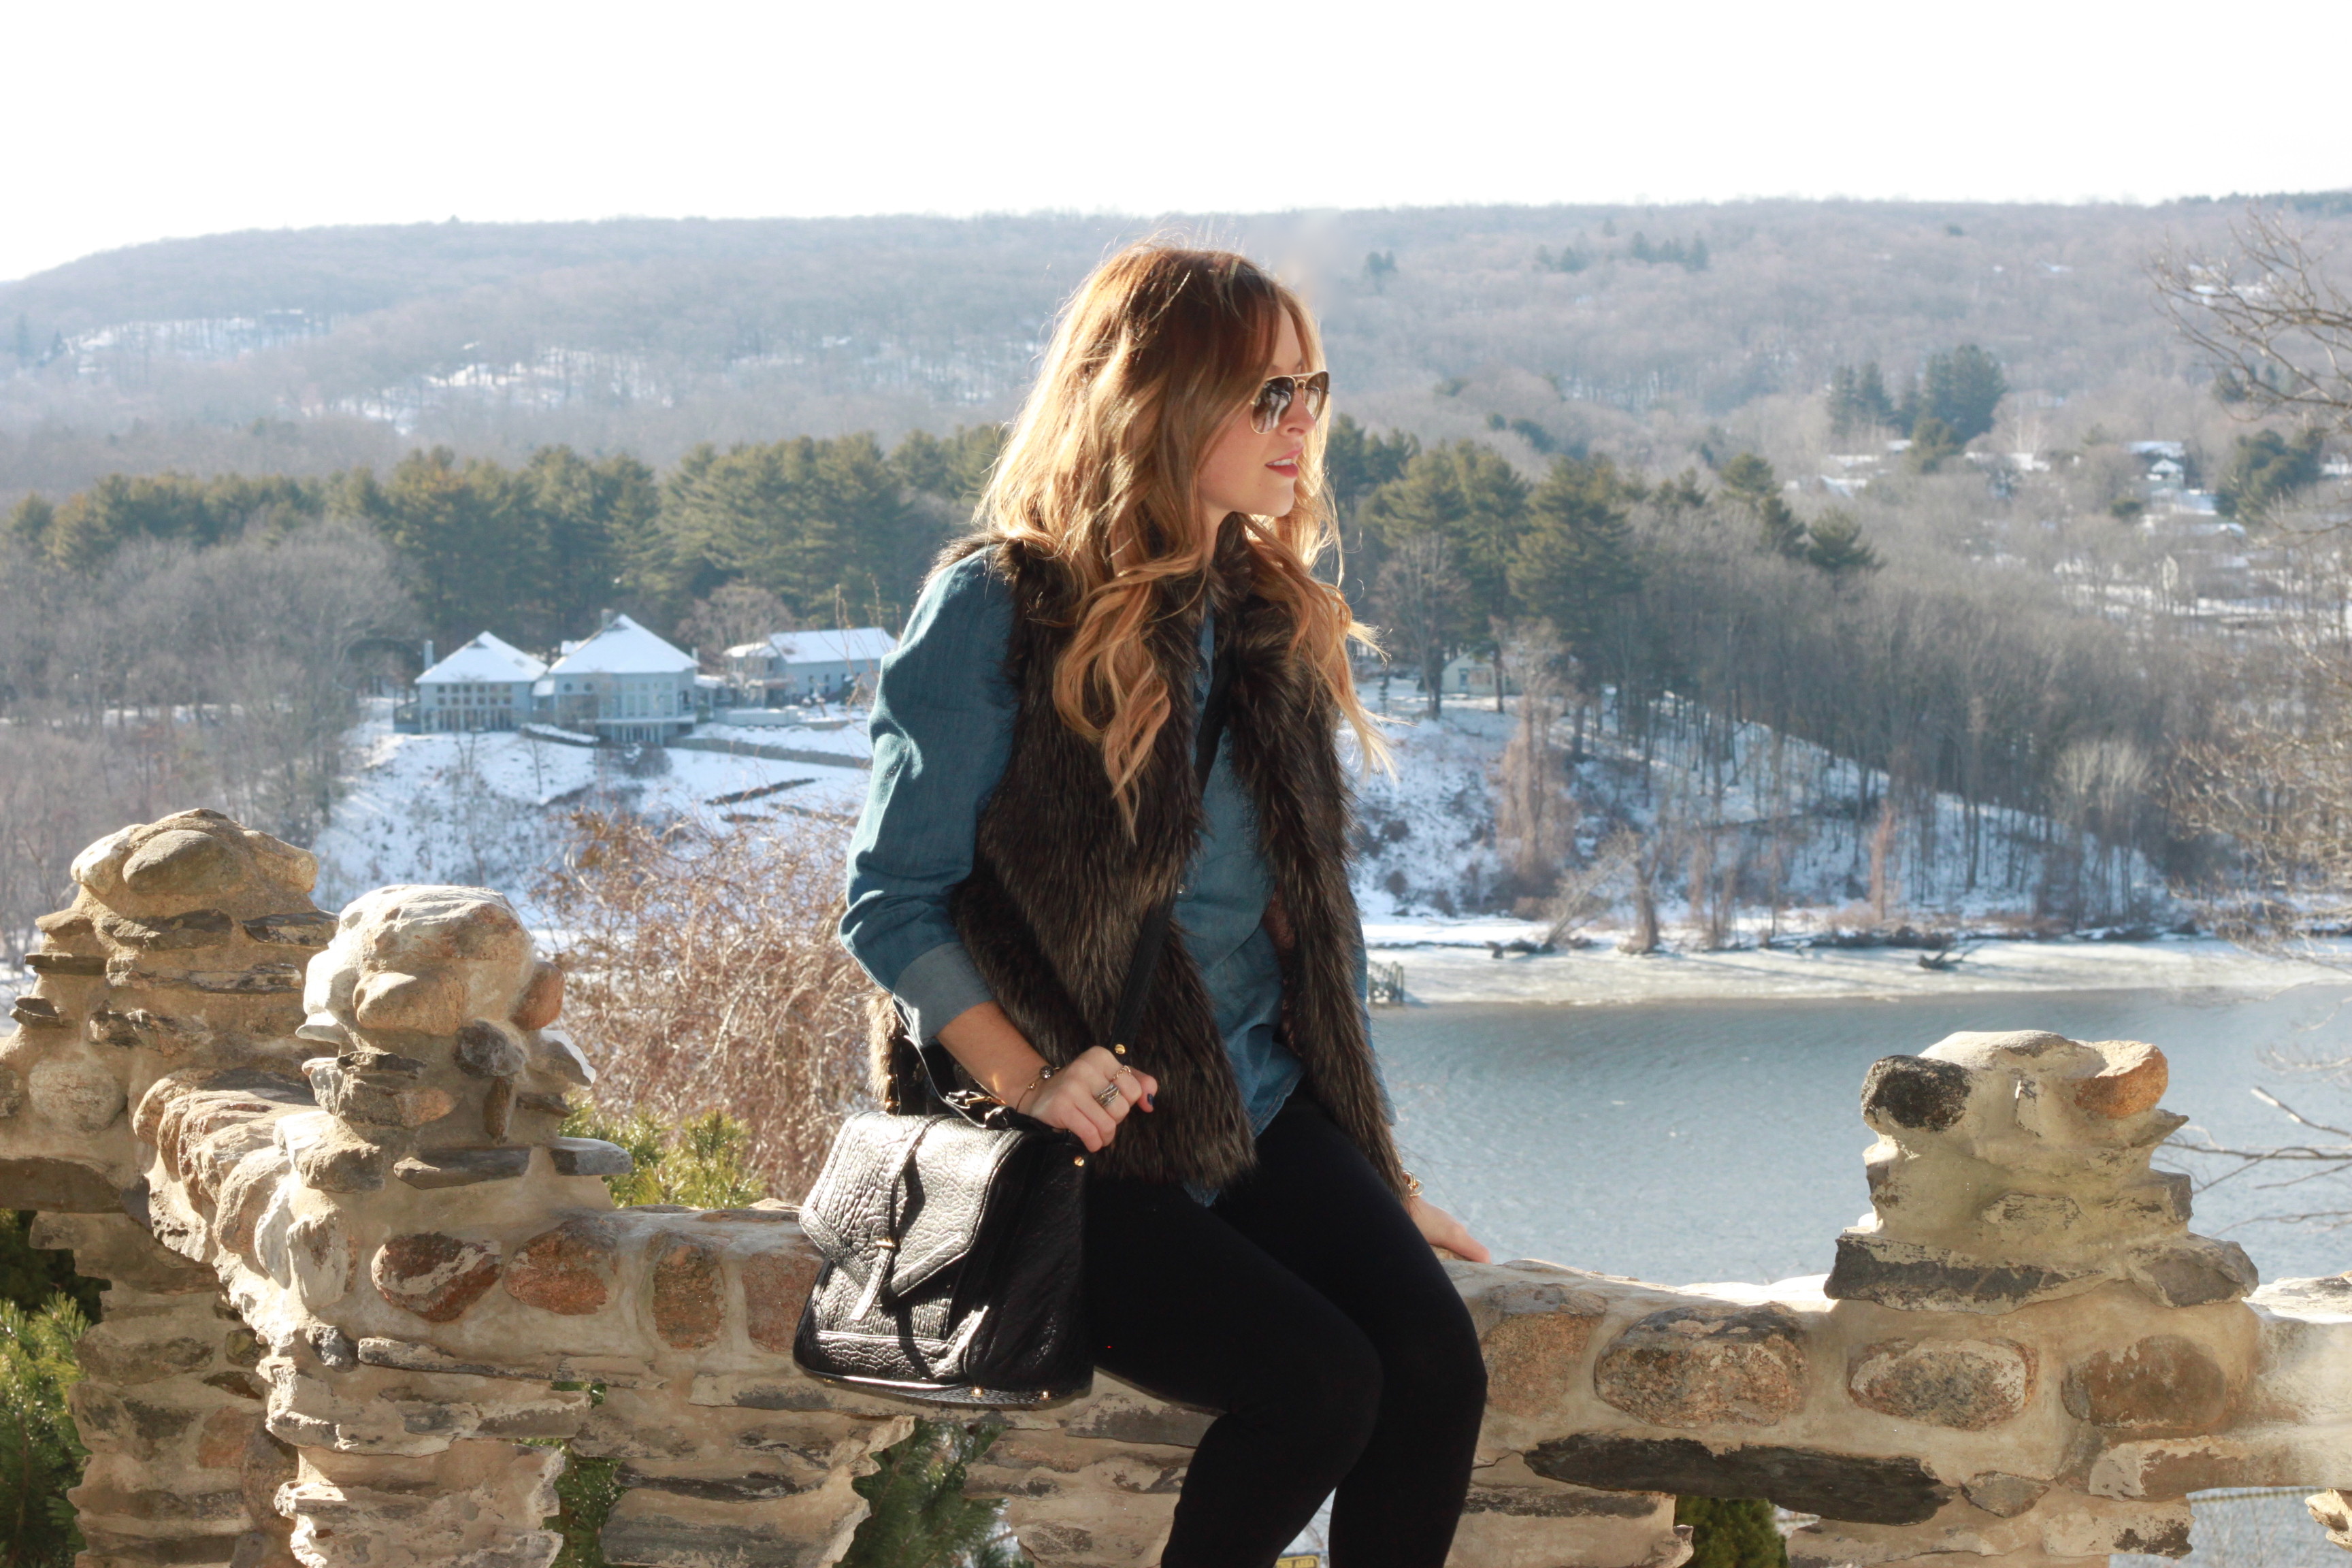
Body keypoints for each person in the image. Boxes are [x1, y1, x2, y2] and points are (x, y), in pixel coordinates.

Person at [840, 244, 1490, 1568]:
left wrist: (1375, 1185)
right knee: (1316, 1385)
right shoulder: (999, 606)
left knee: (1435, 1368)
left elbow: (1306, 944)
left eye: (1310, 388)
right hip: (1076, 1143)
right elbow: (890, 900)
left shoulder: (1269, 621)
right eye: (1265, 393)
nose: (1301, 422)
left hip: (1253, 1103)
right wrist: (1031, 1079)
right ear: (1159, 400)